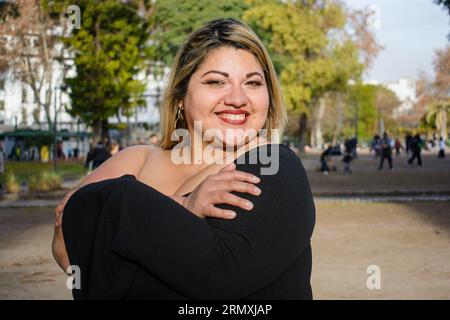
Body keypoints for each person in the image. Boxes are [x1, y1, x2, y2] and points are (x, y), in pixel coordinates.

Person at [52, 18, 315, 300]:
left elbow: (217, 277)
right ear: (180, 96)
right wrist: (184, 205)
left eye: (252, 83)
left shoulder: (273, 165)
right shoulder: (136, 159)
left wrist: (115, 206)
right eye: (216, 82)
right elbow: (68, 249)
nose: (237, 98)